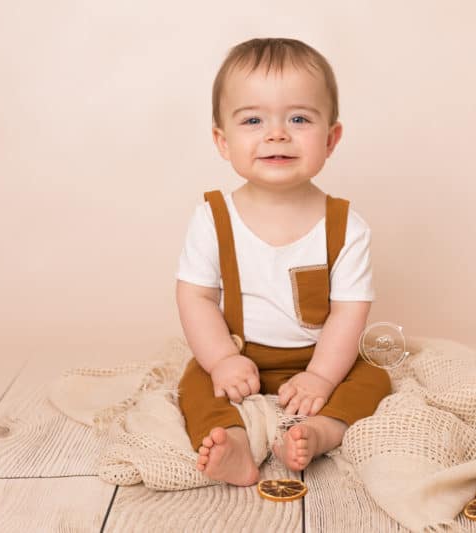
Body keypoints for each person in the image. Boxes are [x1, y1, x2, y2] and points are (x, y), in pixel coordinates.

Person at [175, 37, 392, 487]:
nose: (277, 133)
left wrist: (321, 376)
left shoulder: (345, 225)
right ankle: (234, 442)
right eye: (253, 120)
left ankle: (320, 432)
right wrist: (220, 361)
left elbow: (351, 310)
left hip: (319, 354)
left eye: (298, 118)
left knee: (373, 379)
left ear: (331, 138)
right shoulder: (214, 219)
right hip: (240, 350)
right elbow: (195, 296)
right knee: (195, 383)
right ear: (223, 140)